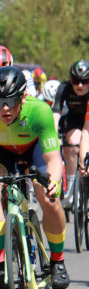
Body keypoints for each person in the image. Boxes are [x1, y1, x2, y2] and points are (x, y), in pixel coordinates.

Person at [0, 67, 68, 289]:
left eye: (11, 101)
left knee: (47, 198)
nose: (5, 108)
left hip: (33, 148)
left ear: (23, 97)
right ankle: (0, 266)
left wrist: (53, 184)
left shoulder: (39, 111)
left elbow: (54, 159)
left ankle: (57, 262)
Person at [52, 60, 89, 207]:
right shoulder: (64, 88)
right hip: (74, 120)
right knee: (73, 144)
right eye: (76, 81)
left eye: (85, 81)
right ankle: (73, 187)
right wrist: (53, 136)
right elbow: (56, 112)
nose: (79, 86)